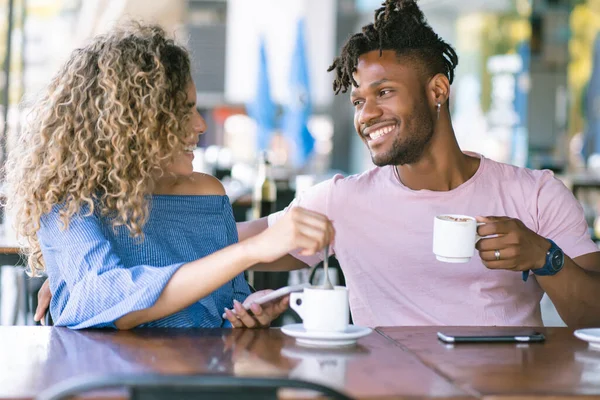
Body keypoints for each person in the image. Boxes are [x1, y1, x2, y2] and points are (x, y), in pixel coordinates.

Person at [36, 0, 600, 328]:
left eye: (383, 94)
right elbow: (232, 244)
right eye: (358, 100)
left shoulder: (536, 194)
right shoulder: (344, 200)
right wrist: (82, 275)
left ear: (437, 89)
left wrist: (546, 259)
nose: (366, 113)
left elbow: (593, 317)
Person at [7, 22, 334, 330]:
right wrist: (248, 252)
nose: (200, 125)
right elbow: (104, 297)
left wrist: (246, 310)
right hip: (114, 383)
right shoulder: (67, 198)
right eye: (182, 112)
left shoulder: (206, 193)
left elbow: (223, 301)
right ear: (132, 123)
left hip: (206, 376)